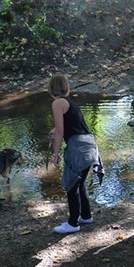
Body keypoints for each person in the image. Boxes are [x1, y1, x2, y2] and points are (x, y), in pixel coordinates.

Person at [49, 74, 104, 234]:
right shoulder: (70, 102)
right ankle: (86, 216)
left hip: (78, 148)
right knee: (79, 184)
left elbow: (60, 131)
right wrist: (55, 131)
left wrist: (56, 152)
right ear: (66, 86)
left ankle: (73, 223)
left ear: (52, 88)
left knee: (71, 186)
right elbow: (70, 125)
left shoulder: (57, 102)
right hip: (89, 146)